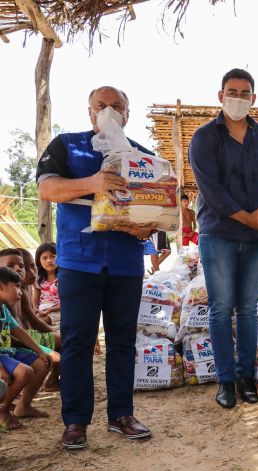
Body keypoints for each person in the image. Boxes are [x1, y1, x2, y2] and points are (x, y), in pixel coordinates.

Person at [37, 85, 156, 450]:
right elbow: (47, 189)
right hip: (78, 262)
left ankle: (121, 414)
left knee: (122, 341)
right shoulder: (66, 145)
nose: (108, 111)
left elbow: (158, 208)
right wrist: (93, 183)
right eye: (101, 106)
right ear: (90, 113)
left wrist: (145, 226)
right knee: (77, 343)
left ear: (127, 114)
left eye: (116, 106)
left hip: (125, 264)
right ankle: (75, 421)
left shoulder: (143, 155)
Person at [188, 68, 258, 408]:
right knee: (220, 309)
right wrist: (252, 220)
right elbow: (212, 193)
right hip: (220, 235)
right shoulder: (203, 137)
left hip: (256, 238)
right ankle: (225, 381)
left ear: (253, 99)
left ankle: (246, 376)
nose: (238, 98)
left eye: (244, 93)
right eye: (232, 91)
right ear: (220, 95)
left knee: (247, 310)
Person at [0, 266, 52, 429]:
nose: (21, 292)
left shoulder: (2, 308)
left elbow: (19, 331)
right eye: (16, 287)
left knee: (43, 363)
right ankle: (3, 410)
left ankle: (24, 406)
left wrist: (39, 351)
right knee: (25, 372)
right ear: (1, 286)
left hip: (7, 352)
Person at [33, 242, 60, 326]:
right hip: (42, 310)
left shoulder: (63, 278)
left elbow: (67, 301)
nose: (49, 260)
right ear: (38, 260)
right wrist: (36, 309)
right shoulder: (38, 279)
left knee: (40, 322)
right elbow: (35, 300)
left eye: (53, 257)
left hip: (59, 310)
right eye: (44, 258)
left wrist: (50, 310)